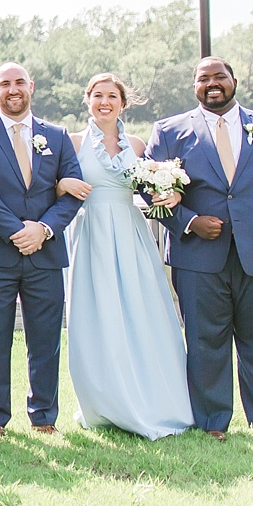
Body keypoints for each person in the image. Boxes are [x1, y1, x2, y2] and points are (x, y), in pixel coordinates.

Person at [149, 56, 253, 441]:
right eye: (203, 79)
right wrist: (189, 221)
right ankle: (212, 423)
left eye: (219, 76)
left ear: (234, 81)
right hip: (198, 258)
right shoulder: (169, 131)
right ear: (194, 87)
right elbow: (149, 187)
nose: (212, 84)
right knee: (206, 343)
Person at [58, 73, 195, 439]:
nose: (105, 102)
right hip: (90, 232)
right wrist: (61, 183)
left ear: (123, 102)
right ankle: (107, 400)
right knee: (97, 313)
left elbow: (153, 188)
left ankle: (154, 396)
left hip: (130, 232)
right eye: (98, 95)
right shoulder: (70, 143)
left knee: (141, 311)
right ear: (87, 100)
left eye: (112, 96)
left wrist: (172, 194)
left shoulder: (137, 144)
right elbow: (48, 184)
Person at [0, 61, 84, 435]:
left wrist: (43, 230)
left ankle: (44, 416)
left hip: (46, 253)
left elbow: (74, 187)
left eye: (19, 83)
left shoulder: (57, 135)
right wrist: (18, 232)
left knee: (45, 338)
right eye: (4, 84)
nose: (13, 90)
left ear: (31, 86)